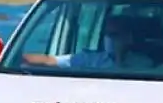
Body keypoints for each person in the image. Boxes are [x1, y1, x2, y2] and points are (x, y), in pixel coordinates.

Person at [23, 14, 153, 70]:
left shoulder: (143, 63)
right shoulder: (90, 59)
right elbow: (49, 61)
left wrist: (119, 58)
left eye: (114, 35)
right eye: (106, 35)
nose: (109, 39)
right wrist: (18, 58)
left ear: (128, 37)